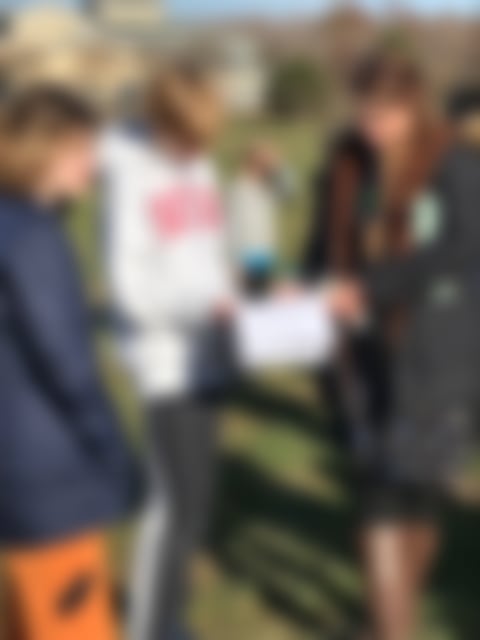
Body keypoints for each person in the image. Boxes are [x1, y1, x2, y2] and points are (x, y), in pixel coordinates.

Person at [317, 52, 480, 640]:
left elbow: (464, 246)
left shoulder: (453, 162)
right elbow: (327, 242)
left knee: (411, 497)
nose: (372, 125)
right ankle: (392, 626)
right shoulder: (349, 163)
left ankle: (388, 630)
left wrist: (372, 285)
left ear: (414, 106)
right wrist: (307, 283)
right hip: (368, 356)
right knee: (382, 495)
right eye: (363, 111)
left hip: (438, 358)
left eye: (385, 113)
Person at [99, 63, 234, 640]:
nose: (198, 152)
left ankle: (170, 619)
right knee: (170, 507)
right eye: (188, 139)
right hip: (163, 363)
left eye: (205, 141)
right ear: (160, 122)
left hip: (208, 353)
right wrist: (201, 306)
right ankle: (148, 629)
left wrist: (236, 299)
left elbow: (210, 250)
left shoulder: (199, 164)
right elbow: (129, 289)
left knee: (197, 504)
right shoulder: (129, 174)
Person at [0, 87, 137, 640]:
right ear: (46, 150)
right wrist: (115, 457)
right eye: (84, 149)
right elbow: (69, 369)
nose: (94, 164)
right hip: (50, 484)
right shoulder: (34, 237)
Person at [229, 141, 294, 295]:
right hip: (245, 262)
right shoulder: (239, 190)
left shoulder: (267, 188)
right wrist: (235, 265)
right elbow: (234, 230)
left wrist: (279, 167)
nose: (267, 165)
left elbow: (290, 191)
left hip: (265, 258)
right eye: (264, 161)